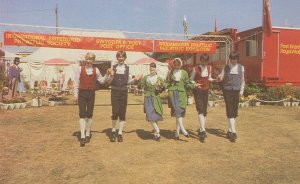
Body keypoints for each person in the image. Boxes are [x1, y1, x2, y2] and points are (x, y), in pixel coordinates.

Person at [74, 52, 111, 147]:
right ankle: (82, 136)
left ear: (93, 60)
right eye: (87, 59)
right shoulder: (79, 69)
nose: (89, 61)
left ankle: (87, 133)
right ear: (85, 59)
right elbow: (76, 82)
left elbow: (102, 81)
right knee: (82, 114)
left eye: (91, 59)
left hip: (91, 94)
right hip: (82, 93)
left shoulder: (96, 70)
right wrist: (75, 95)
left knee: (89, 115)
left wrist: (107, 74)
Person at [108, 51, 142, 142]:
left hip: (123, 91)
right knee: (115, 112)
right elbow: (109, 81)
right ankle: (113, 131)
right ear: (117, 58)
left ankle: (120, 133)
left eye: (122, 57)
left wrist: (135, 79)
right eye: (119, 57)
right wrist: (110, 76)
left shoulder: (128, 68)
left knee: (122, 113)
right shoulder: (113, 67)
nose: (121, 58)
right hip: (114, 91)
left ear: (124, 58)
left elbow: (128, 82)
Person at [217, 51, 245, 142]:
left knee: (234, 111)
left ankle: (229, 130)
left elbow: (242, 81)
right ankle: (233, 131)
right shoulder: (226, 67)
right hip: (227, 91)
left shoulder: (241, 68)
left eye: (235, 59)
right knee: (229, 110)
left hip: (236, 91)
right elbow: (221, 77)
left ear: (237, 59)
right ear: (230, 59)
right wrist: (219, 78)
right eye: (232, 59)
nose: (233, 61)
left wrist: (241, 91)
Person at [164, 58, 195, 140]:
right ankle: (183, 130)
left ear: (180, 65)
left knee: (180, 113)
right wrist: (162, 85)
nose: (177, 67)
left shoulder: (184, 73)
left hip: (182, 94)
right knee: (177, 111)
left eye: (178, 66)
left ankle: (176, 134)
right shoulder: (170, 72)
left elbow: (187, 82)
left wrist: (193, 85)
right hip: (173, 93)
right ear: (173, 65)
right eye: (175, 66)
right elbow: (167, 82)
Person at [190, 53, 216, 142]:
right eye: (203, 60)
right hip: (198, 91)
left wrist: (215, 80)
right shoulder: (195, 68)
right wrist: (195, 84)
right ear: (200, 60)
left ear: (207, 61)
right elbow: (191, 80)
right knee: (200, 109)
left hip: (205, 90)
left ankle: (201, 130)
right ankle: (203, 130)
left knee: (204, 111)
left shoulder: (209, 68)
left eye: (206, 61)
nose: (204, 62)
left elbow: (209, 78)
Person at [139, 62, 164, 141]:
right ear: (149, 68)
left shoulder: (159, 78)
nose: (152, 68)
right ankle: (157, 130)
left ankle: (157, 135)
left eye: (153, 67)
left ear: (156, 69)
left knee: (155, 116)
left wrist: (160, 88)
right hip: (148, 98)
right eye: (151, 67)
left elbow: (161, 90)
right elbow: (140, 85)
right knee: (150, 116)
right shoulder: (146, 77)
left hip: (156, 98)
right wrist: (139, 80)